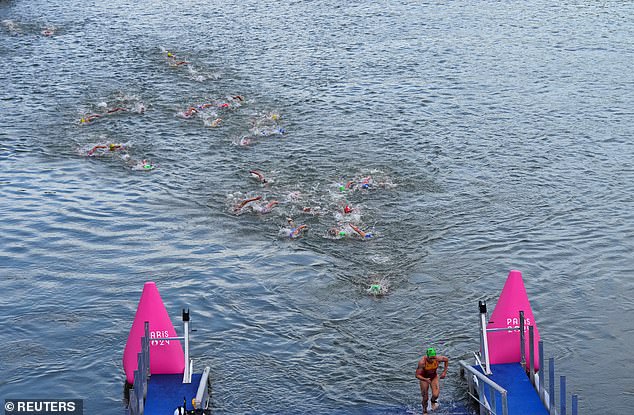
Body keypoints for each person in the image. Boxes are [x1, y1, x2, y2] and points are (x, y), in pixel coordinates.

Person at [415, 347, 448, 414]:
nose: (433, 360)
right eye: (431, 358)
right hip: (424, 378)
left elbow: (446, 360)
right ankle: (425, 411)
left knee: (436, 395)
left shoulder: (438, 358)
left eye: (434, 357)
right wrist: (425, 379)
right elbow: (417, 375)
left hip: (434, 377)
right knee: (425, 397)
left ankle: (433, 401)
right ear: (427, 356)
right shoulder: (422, 362)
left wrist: (444, 372)